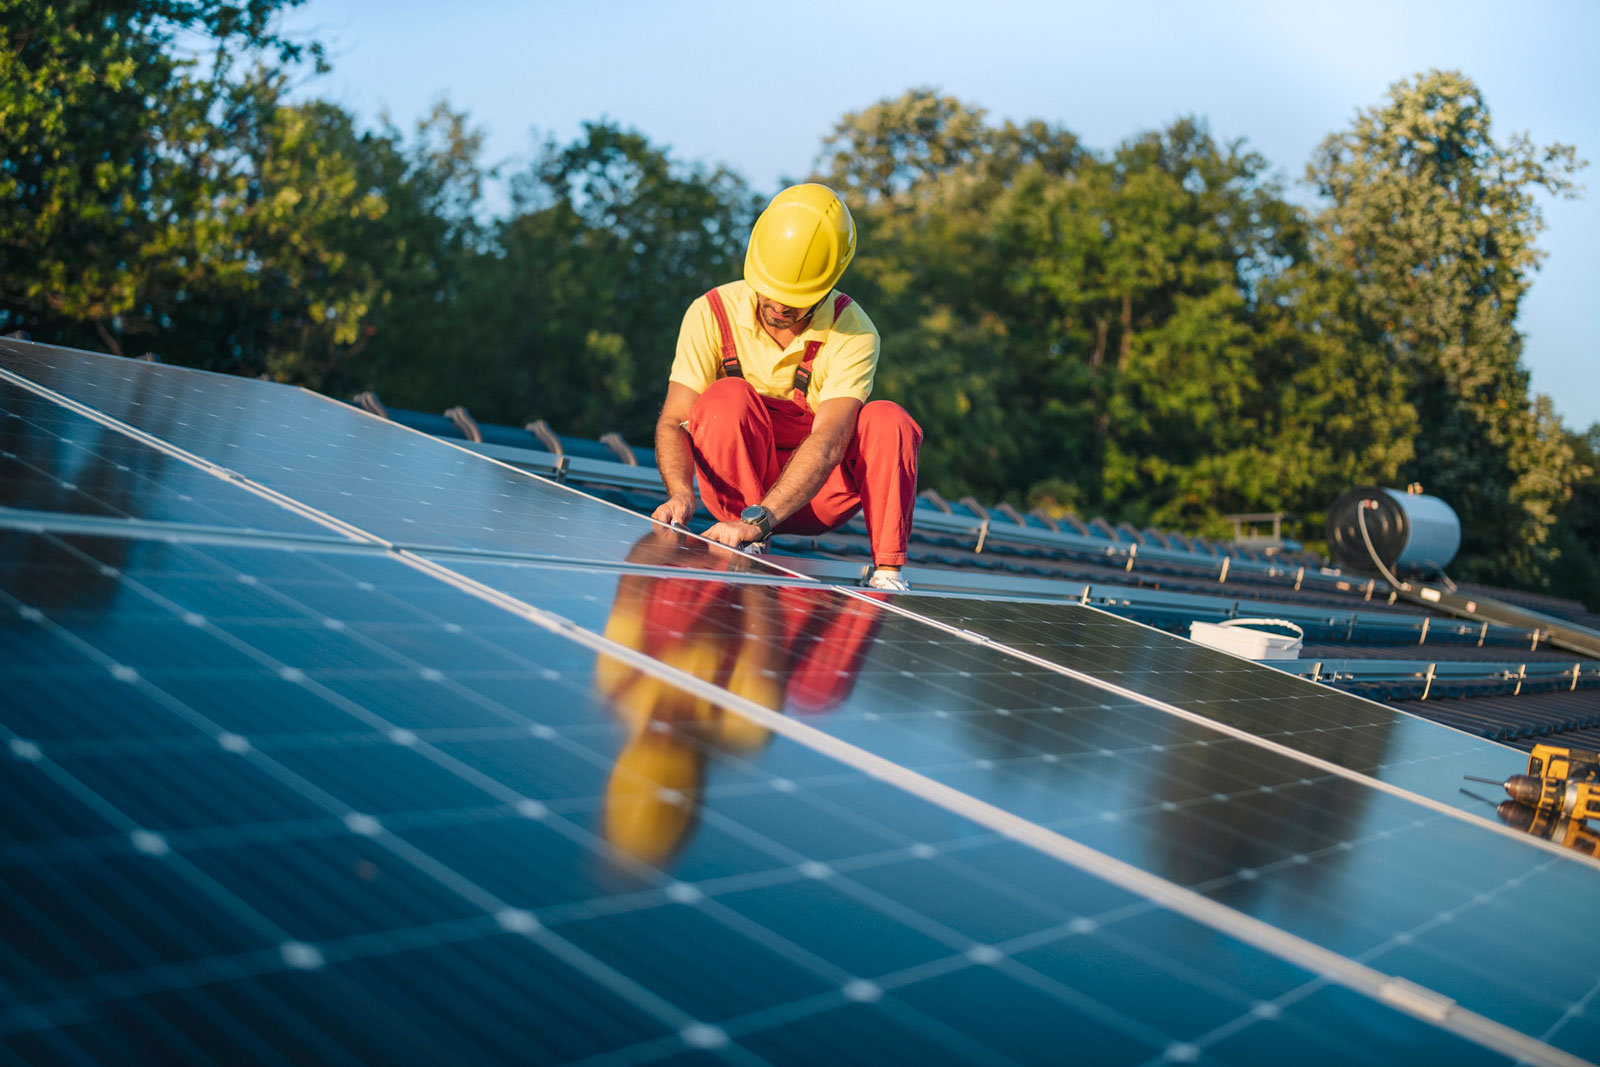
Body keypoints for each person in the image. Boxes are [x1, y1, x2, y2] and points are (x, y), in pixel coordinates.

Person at [650, 183, 922, 591]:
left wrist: (763, 519)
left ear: (829, 284)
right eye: (771, 293)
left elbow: (831, 439)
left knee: (888, 420)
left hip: (814, 495)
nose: (778, 307)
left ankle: (888, 572)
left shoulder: (855, 333)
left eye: (795, 299)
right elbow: (673, 420)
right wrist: (680, 494)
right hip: (733, 494)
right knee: (727, 397)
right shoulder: (710, 313)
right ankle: (741, 542)